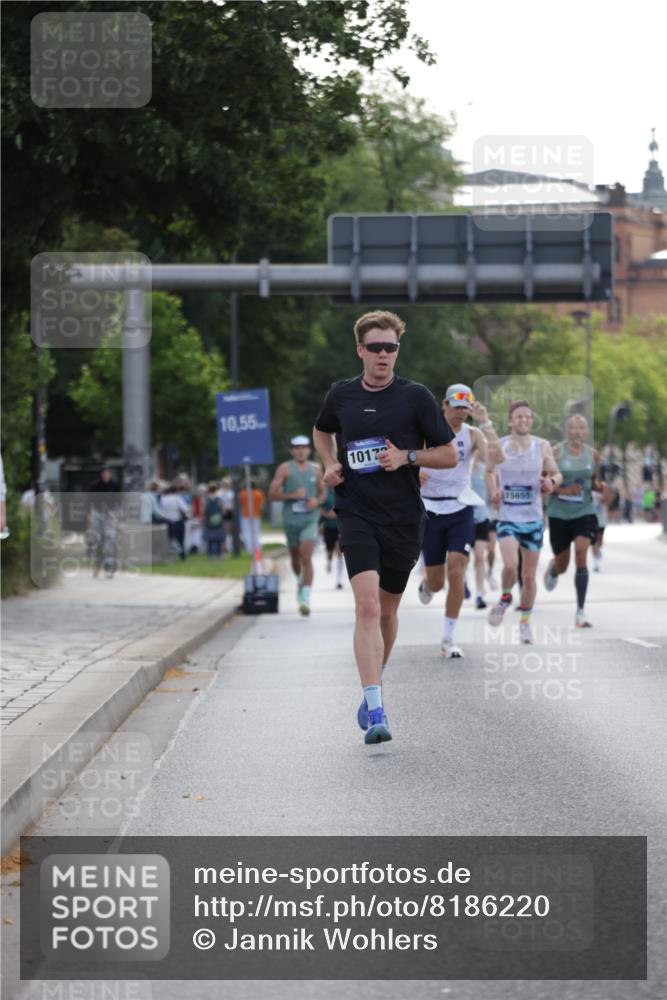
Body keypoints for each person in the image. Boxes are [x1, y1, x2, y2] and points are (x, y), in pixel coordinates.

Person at [313, 310, 457, 744]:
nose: (382, 355)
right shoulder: (341, 395)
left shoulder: (416, 398)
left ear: (397, 350)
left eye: (389, 347)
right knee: (367, 608)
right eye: (374, 347)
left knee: (389, 611)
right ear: (360, 350)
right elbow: (322, 432)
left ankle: (375, 677)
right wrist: (330, 463)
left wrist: (407, 458)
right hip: (356, 512)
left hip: (403, 518)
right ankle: (375, 705)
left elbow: (448, 455)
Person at [417, 384, 504, 657]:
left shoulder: (473, 433)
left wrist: (486, 422)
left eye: (465, 409)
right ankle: (427, 584)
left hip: (460, 507)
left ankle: (448, 638)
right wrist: (415, 470)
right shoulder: (427, 430)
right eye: (456, 407)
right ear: (444, 405)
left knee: (456, 570)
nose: (460, 414)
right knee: (437, 582)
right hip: (429, 510)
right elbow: (407, 457)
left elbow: (499, 457)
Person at [486, 400, 562, 644]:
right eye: (518, 416)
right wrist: (494, 490)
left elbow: (556, 473)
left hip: (533, 519)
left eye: (527, 417)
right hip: (508, 517)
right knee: (510, 566)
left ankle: (525, 622)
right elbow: (488, 471)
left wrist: (551, 483)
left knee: (529, 577)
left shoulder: (541, 446)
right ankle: (506, 596)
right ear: (510, 421)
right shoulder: (501, 446)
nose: (523, 420)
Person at [542, 415, 602, 628]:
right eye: (573, 428)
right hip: (559, 514)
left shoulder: (593, 455)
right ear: (567, 431)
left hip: (584, 512)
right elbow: (542, 482)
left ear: (586, 432)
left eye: (582, 427)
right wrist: (564, 489)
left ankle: (580, 611)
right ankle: (554, 568)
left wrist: (601, 487)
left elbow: (594, 481)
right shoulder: (555, 452)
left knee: (582, 552)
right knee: (563, 563)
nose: (577, 431)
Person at [268, 436, 325, 616]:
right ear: (292, 450)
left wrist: (316, 500)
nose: (301, 451)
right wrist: (292, 495)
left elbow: (323, 493)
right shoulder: (284, 469)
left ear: (309, 450)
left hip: (310, 519)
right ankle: (300, 583)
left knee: (306, 556)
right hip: (291, 521)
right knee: (295, 558)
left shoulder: (316, 469)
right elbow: (272, 495)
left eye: (304, 448)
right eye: (297, 448)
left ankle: (305, 597)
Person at [320, 485, 345, 589]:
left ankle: (339, 580)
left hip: (341, 527)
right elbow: (319, 508)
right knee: (329, 551)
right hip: (328, 526)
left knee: (339, 552)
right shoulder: (326, 493)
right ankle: (329, 561)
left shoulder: (345, 491)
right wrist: (327, 514)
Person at [159, 483, 190, 560]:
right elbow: (185, 509)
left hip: (167, 521)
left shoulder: (163, 498)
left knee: (170, 539)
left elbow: (160, 510)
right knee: (180, 539)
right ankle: (182, 554)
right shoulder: (177, 498)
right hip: (178, 520)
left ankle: (170, 555)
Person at [239, 479, 265, 555]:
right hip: (256, 515)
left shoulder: (242, 493)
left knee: (247, 533)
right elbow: (262, 505)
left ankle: (250, 549)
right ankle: (257, 549)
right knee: (256, 532)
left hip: (246, 515)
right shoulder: (259, 493)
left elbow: (240, 504)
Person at [203, 481, 226, 558]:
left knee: (210, 539)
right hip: (218, 520)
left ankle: (210, 554)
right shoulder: (219, 499)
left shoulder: (206, 499)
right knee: (219, 538)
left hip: (209, 521)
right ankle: (218, 554)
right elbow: (223, 510)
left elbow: (203, 510)